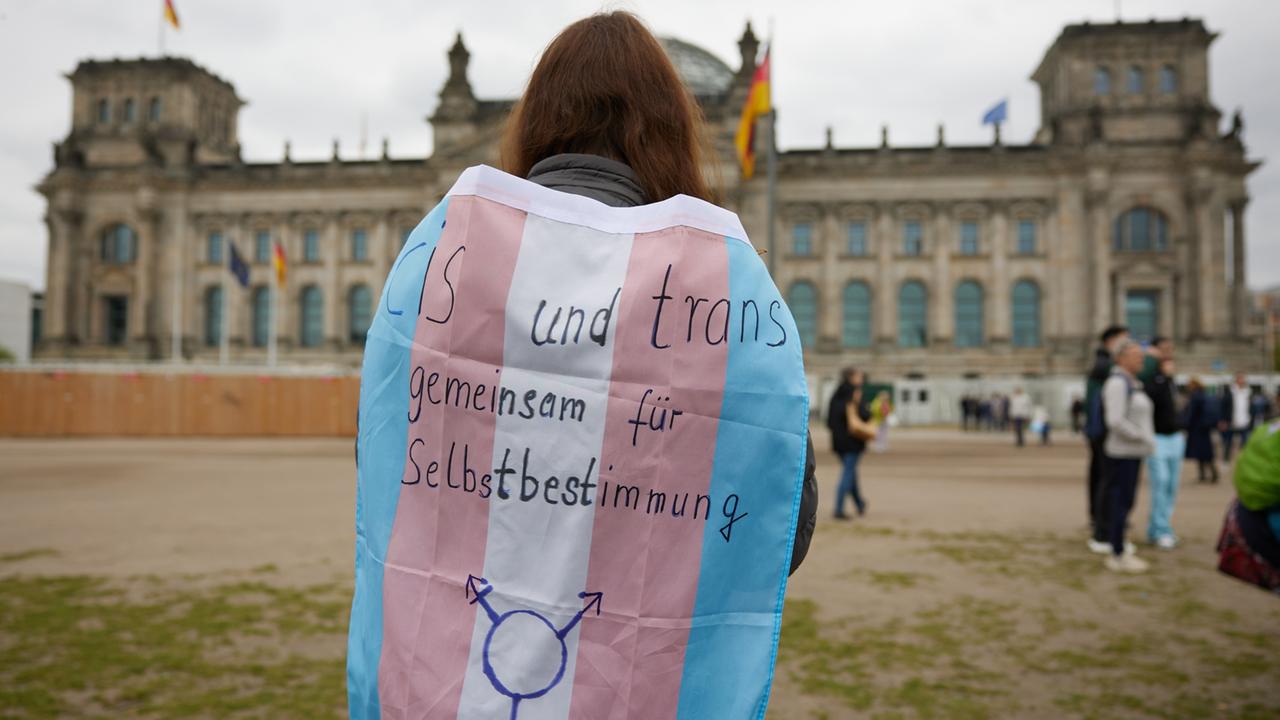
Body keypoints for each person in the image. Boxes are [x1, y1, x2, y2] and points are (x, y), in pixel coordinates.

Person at [497, 11, 824, 568]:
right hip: (650, 642)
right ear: (672, 132)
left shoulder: (443, 259)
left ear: (532, 125)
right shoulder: (719, 284)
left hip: (473, 641)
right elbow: (779, 526)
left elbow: (389, 472)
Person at [1101, 339, 1156, 572]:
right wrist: (1141, 437)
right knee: (1120, 502)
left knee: (1126, 502)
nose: (1141, 359)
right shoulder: (1117, 383)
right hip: (1122, 452)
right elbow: (1114, 420)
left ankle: (1120, 546)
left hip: (1132, 452)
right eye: (1136, 355)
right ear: (1120, 358)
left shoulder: (1133, 383)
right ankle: (1117, 552)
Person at [1084, 325, 1129, 554]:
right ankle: (1103, 527)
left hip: (1098, 430)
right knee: (1107, 479)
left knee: (1101, 477)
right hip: (1104, 432)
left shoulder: (1101, 364)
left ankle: (1100, 522)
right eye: (1124, 341)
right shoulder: (1106, 366)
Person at [1144, 356, 1184, 549]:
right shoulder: (1154, 384)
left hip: (1175, 437)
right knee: (1161, 481)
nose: (1171, 366)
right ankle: (1160, 530)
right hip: (1158, 438)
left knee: (1171, 485)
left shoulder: (1172, 384)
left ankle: (1159, 528)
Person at [826, 368, 872, 518]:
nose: (861, 378)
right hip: (853, 441)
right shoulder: (855, 394)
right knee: (848, 473)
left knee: (851, 472)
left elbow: (829, 421)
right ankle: (838, 509)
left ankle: (859, 503)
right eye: (859, 375)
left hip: (838, 442)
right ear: (851, 378)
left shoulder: (836, 394)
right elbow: (864, 415)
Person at [1183, 376, 1220, 483]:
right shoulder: (1205, 394)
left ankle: (1206, 475)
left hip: (1197, 428)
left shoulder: (1195, 396)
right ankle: (1209, 474)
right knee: (1206, 452)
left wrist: (1185, 424)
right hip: (1205, 428)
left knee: (1202, 452)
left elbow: (1192, 413)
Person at [1219, 373, 1254, 463]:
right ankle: (1226, 459)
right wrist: (1223, 420)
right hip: (1232, 421)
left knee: (1245, 443)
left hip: (1245, 421)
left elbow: (1251, 407)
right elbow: (1223, 406)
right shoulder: (1230, 392)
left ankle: (1244, 460)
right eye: (1240, 379)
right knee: (1228, 442)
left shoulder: (1248, 392)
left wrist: (1251, 419)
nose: (1241, 381)